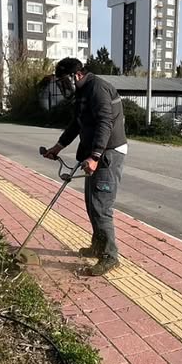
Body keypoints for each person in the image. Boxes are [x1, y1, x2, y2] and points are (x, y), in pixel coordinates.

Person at [43, 57, 127, 276]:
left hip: (108, 154)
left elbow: (104, 122)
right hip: (95, 153)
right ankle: (97, 246)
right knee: (92, 203)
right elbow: (77, 123)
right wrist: (58, 147)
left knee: (101, 206)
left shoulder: (97, 88)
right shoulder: (83, 91)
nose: (62, 86)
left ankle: (110, 256)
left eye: (64, 81)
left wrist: (95, 156)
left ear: (77, 75)